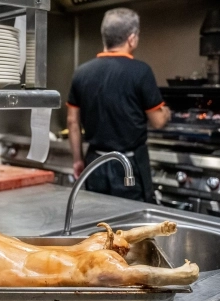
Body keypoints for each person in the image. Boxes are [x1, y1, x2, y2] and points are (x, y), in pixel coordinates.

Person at [66, 8, 170, 203]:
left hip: (94, 162)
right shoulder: (141, 71)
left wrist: (78, 160)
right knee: (132, 224)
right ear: (132, 39)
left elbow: (72, 122)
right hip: (128, 166)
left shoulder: (81, 73)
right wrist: (166, 112)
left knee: (98, 221)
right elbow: (157, 121)